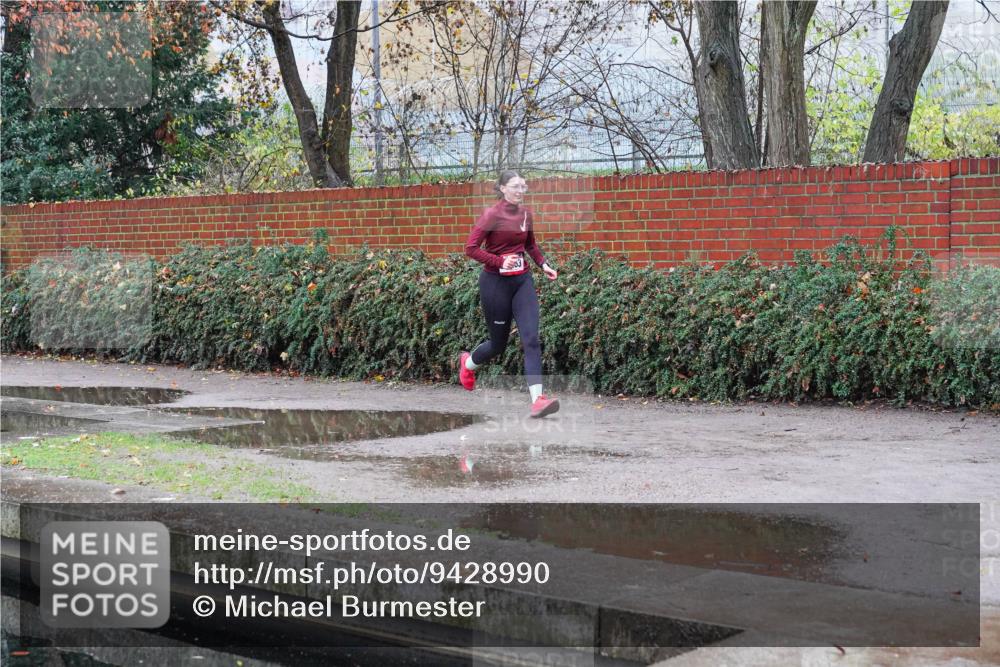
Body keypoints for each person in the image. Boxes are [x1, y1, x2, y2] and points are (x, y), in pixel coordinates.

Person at [459, 170, 560, 418]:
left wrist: (543, 263)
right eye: (515, 186)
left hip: (522, 282)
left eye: (523, 187)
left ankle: (538, 400)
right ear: (503, 188)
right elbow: (470, 248)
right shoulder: (492, 215)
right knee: (498, 344)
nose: (520, 191)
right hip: (495, 284)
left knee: (531, 339)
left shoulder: (526, 214)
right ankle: (468, 363)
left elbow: (530, 245)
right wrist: (499, 262)